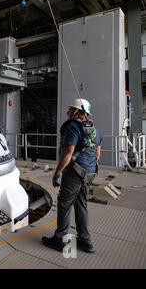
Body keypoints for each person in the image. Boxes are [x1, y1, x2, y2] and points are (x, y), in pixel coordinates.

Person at [42, 98, 102, 254]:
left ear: (77, 111)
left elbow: (68, 153)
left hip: (75, 173)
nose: (67, 112)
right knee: (81, 205)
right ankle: (85, 240)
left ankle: (60, 238)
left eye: (70, 109)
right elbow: (97, 154)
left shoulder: (73, 128)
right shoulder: (95, 129)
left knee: (64, 204)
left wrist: (58, 172)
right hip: (90, 173)